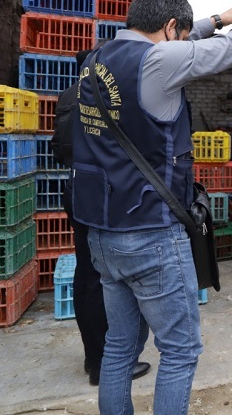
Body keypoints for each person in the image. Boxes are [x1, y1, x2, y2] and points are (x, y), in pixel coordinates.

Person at [70, 0, 232, 414]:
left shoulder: (98, 58)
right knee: (180, 351)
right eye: (181, 34)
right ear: (169, 27)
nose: (184, 42)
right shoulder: (158, 60)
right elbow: (230, 50)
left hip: (102, 231)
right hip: (149, 231)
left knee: (118, 347)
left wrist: (219, 19)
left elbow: (183, 43)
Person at [51, 48, 151, 386]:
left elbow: (58, 149)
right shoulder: (109, 98)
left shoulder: (65, 97)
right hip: (107, 195)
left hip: (77, 190)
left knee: (87, 275)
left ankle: (93, 356)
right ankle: (109, 363)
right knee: (111, 278)